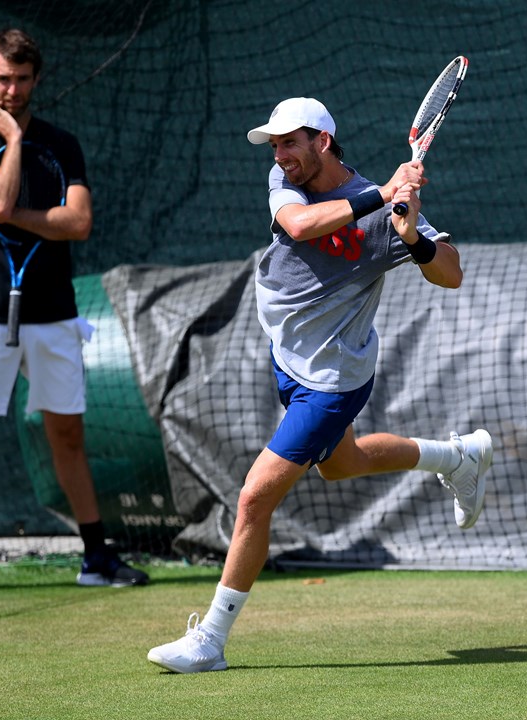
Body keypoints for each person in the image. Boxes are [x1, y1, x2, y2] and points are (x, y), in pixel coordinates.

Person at [147, 97, 492, 672]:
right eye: (276, 145)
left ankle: (210, 640)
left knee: (255, 497)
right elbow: (299, 225)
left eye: (290, 143)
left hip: (333, 380)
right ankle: (458, 458)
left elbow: (450, 273)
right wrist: (382, 196)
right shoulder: (291, 186)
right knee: (342, 462)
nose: (280, 155)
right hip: (289, 359)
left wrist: (412, 236)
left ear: (322, 143)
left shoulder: (388, 215)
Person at [0, 28, 148, 596]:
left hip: (53, 312)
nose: (12, 89)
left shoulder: (64, 144)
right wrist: (12, 149)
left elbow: (75, 223)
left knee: (68, 436)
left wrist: (7, 214)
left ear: (36, 79)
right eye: (3, 78)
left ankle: (96, 558)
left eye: (22, 79)